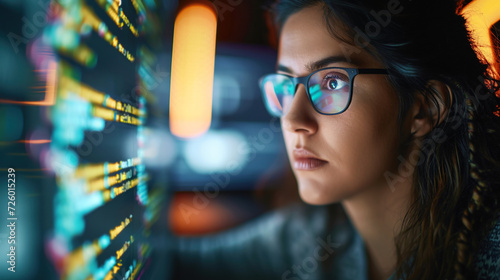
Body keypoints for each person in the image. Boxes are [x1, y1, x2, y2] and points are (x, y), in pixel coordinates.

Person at [173, 0, 500, 279]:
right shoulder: (312, 239)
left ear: (424, 109)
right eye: (287, 85)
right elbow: (173, 264)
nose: (292, 119)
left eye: (332, 83)